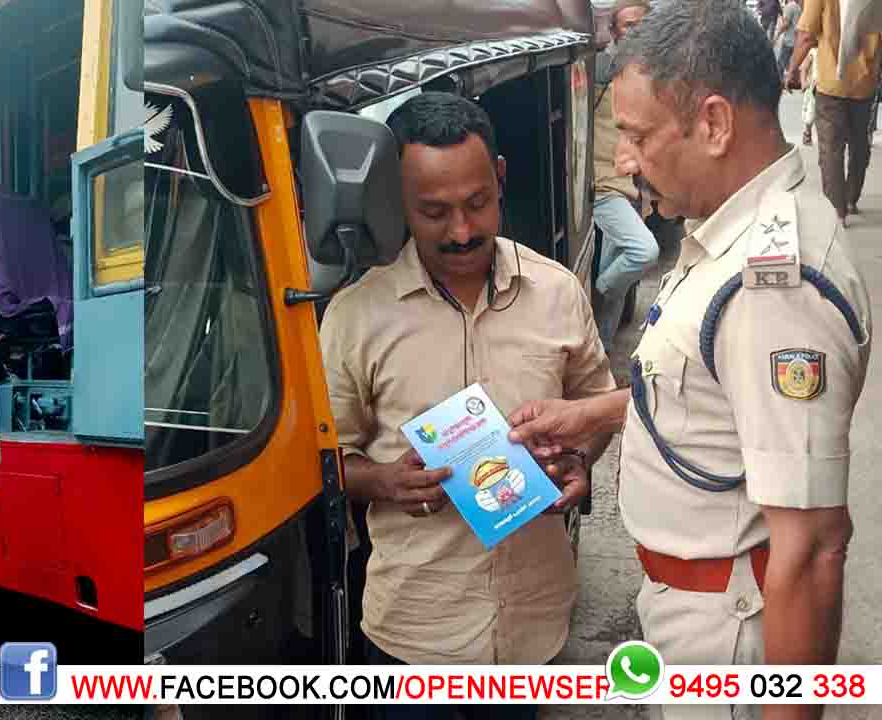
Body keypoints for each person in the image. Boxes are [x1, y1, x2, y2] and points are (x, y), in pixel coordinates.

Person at [508, 3, 871, 719]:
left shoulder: (776, 286)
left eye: (638, 135)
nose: (624, 159)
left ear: (714, 123)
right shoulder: (734, 228)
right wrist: (592, 414)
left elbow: (812, 549)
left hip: (729, 638)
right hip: (696, 606)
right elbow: (712, 386)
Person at [319, 92, 616, 720]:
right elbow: (321, 460)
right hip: (414, 630)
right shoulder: (356, 316)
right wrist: (383, 480)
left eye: (478, 203)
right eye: (434, 211)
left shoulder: (558, 293)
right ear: (397, 199)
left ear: (500, 177)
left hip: (532, 623)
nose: (461, 232)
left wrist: (579, 459)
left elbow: (596, 406)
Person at [593, 0, 659, 349]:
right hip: (602, 185)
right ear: (614, 30)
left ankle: (601, 353)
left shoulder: (648, 71)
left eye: (642, 25)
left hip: (629, 184)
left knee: (619, 283)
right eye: (628, 25)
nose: (636, 32)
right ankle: (595, 295)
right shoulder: (602, 69)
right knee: (643, 251)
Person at [786, 0, 882, 222]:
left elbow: (806, 36)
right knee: (860, 144)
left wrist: (791, 70)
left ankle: (837, 208)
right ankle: (851, 198)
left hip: (831, 85)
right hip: (865, 84)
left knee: (831, 148)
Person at [774, 0, 802, 77]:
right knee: (791, 64)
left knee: (781, 64)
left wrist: (777, 35)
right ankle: (790, 79)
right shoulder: (797, 7)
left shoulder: (789, 7)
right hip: (796, 40)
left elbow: (786, 24)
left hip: (789, 40)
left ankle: (778, 80)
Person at [800, 47, 819, 145]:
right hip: (813, 87)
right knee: (811, 113)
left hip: (826, 86)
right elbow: (804, 68)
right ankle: (807, 133)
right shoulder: (814, 52)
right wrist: (803, 82)